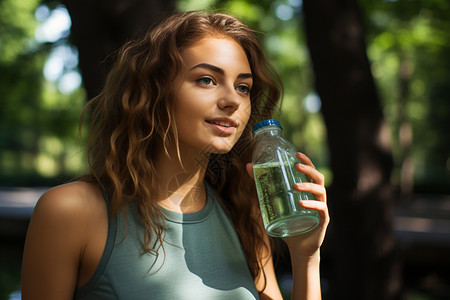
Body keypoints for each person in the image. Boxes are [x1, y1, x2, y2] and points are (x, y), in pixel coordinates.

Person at [21, 10, 329, 300]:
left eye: (243, 87)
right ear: (154, 90)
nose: (232, 100)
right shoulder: (71, 212)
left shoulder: (243, 214)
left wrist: (306, 256)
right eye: (207, 79)